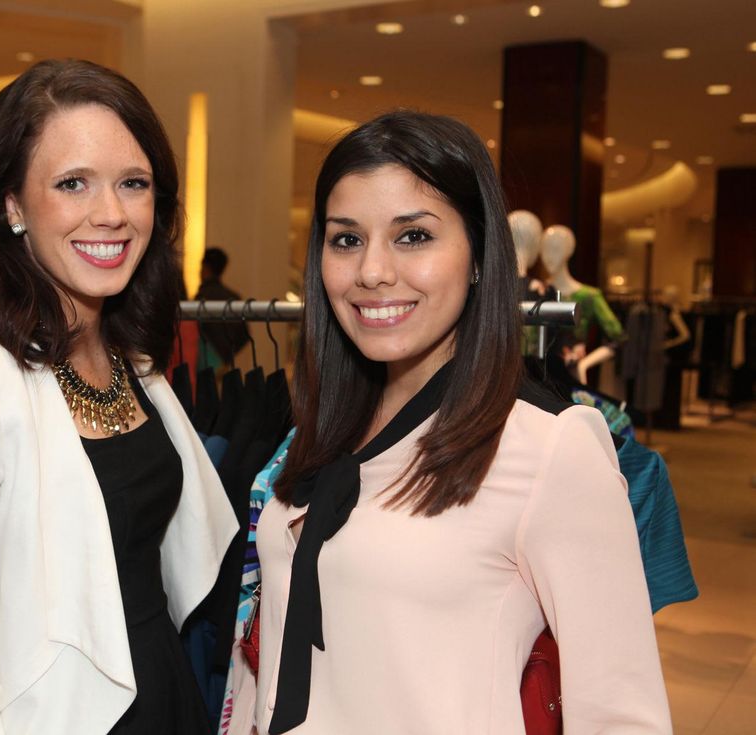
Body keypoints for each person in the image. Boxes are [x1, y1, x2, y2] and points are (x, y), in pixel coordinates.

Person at [247, 111, 671, 733]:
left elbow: (622, 716)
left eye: (413, 236)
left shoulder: (547, 447)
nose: (372, 271)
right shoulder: (323, 423)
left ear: (478, 255)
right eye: (346, 240)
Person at [0, 59, 238, 734]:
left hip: (170, 692)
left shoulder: (134, 360)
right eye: (73, 183)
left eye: (133, 183)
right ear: (12, 205)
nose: (111, 214)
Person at [541, 224, 625, 383]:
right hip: (539, 378)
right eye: (544, 250)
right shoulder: (538, 291)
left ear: (569, 250)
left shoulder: (588, 296)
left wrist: (585, 364)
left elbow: (618, 338)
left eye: (555, 249)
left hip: (572, 377)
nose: (548, 256)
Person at [194, 247, 250, 367]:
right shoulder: (234, 298)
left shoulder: (201, 298)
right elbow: (244, 336)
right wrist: (227, 356)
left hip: (203, 364)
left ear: (205, 267)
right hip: (224, 364)